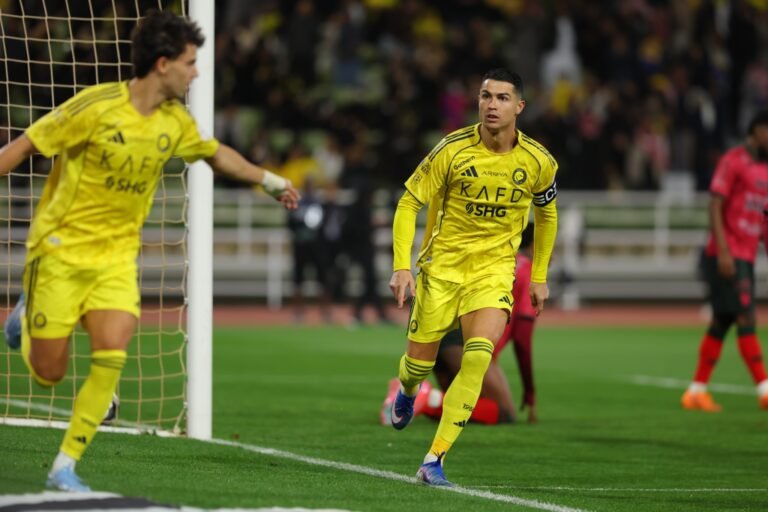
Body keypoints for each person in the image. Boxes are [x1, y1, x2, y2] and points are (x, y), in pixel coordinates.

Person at [1, 10, 299, 492]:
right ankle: (26, 313)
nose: (197, 72)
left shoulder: (175, 122)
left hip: (116, 258)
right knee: (48, 374)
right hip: (60, 252)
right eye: (190, 62)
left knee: (114, 349)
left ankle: (64, 466)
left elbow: (215, 153)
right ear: (163, 65)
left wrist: (269, 181)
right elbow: (24, 146)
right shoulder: (94, 108)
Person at [387, 68, 558, 487]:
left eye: (501, 98)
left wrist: (538, 276)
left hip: (493, 272)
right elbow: (409, 202)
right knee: (417, 367)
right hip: (442, 270)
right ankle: (408, 390)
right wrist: (402, 265)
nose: (491, 105)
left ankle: (435, 459)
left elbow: (548, 214)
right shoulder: (452, 149)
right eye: (485, 96)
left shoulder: (538, 161)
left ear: (519, 107)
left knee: (477, 357)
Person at [380, 223, 539, 425]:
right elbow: (523, 339)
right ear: (535, 244)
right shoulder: (526, 270)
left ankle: (407, 392)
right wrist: (530, 392)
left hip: (442, 321)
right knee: (504, 411)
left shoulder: (497, 257)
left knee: (463, 400)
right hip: (462, 336)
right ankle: (425, 398)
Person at [682, 110, 768, 412]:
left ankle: (695, 390)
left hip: (745, 255)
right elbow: (715, 204)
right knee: (745, 317)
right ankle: (764, 389)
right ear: (756, 130)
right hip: (726, 254)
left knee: (723, 320)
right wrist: (723, 251)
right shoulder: (733, 161)